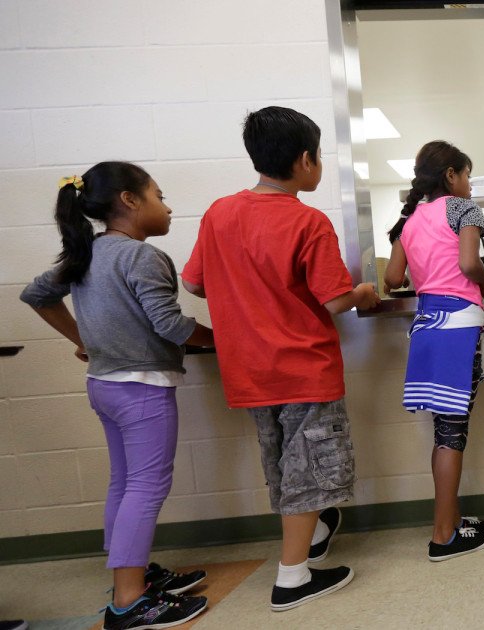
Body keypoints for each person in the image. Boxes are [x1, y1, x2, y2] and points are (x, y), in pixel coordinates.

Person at [181, 107, 380, 611]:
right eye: (320, 156)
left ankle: (313, 540)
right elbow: (335, 301)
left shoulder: (219, 213)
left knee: (283, 467)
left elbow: (194, 283)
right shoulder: (308, 221)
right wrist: (363, 292)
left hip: (248, 370)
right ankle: (292, 579)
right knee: (310, 473)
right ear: (305, 160)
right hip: (302, 368)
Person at [20, 162, 214, 629]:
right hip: (141, 388)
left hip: (105, 385)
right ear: (129, 200)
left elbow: (35, 294)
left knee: (125, 483)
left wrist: (84, 340)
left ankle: (132, 574)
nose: (168, 208)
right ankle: (128, 601)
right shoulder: (141, 256)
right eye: (159, 196)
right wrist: (224, 339)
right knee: (146, 488)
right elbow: (169, 324)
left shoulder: (86, 253)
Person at [383, 140, 484, 561]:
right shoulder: (463, 209)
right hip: (458, 331)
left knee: (444, 432)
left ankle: (451, 519)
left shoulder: (410, 220)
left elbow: (392, 279)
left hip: (427, 330)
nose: (469, 183)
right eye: (467, 174)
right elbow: (469, 265)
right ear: (451, 175)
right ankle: (443, 535)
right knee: (453, 435)